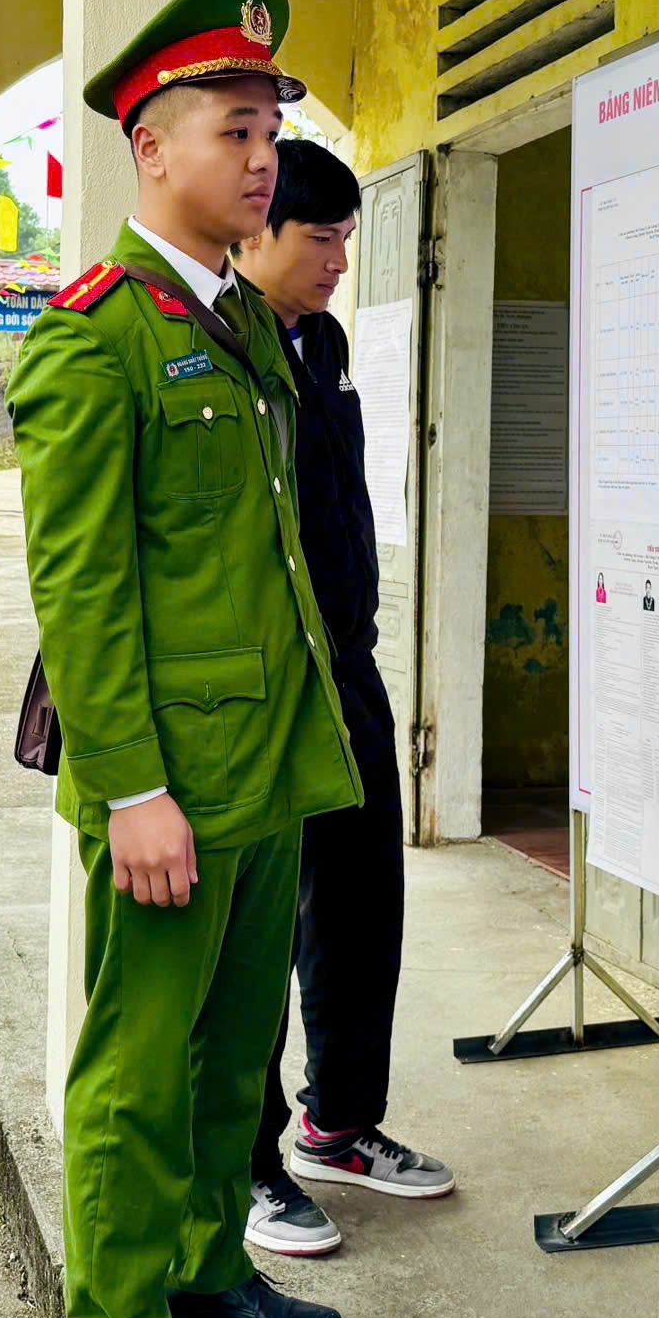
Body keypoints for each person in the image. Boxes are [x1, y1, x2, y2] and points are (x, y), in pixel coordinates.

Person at [7, 0, 362, 1318]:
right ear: (151, 148)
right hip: (171, 786)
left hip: (266, 761)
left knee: (235, 1054)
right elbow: (82, 594)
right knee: (138, 1068)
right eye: (235, 126)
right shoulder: (99, 337)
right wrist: (132, 784)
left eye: (271, 125)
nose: (262, 153)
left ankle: (210, 1264)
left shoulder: (236, 319)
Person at [233, 137, 453, 1258]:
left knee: (363, 897)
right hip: (265, 678)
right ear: (259, 231)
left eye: (343, 240)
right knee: (264, 918)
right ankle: (251, 1159)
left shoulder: (320, 342)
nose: (334, 261)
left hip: (348, 666)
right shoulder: (222, 348)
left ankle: (339, 1122)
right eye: (318, 239)